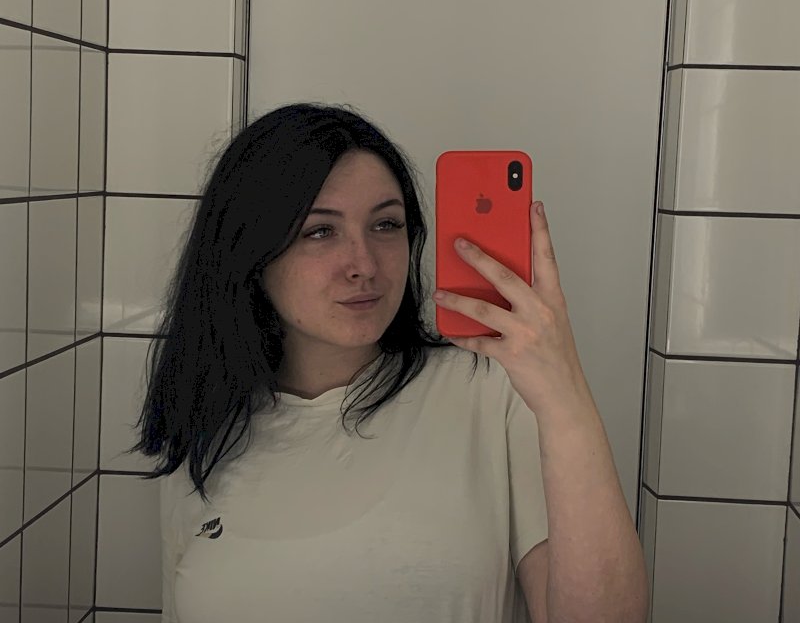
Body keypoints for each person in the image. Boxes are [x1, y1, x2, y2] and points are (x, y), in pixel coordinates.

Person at [129, 102, 648, 623]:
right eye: (320, 231)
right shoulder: (203, 434)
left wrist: (563, 390)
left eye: (385, 224)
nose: (364, 264)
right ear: (251, 253)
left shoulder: (489, 390)